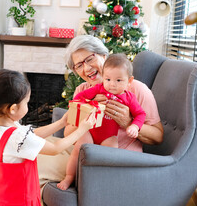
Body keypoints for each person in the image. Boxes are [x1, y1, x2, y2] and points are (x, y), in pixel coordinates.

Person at [37, 35, 163, 192]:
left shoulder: (137, 90)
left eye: (90, 59)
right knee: (31, 152)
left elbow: (158, 136)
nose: (87, 68)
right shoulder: (82, 90)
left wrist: (129, 122)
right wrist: (88, 108)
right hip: (83, 153)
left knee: (37, 164)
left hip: (118, 159)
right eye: (79, 65)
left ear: (104, 56)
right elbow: (68, 132)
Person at [0, 69, 96, 206]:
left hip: (5, 194)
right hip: (21, 196)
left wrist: (61, 123)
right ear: (13, 109)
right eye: (27, 102)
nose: (28, 105)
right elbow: (55, 149)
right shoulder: (17, 138)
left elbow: (31, 134)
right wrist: (82, 129)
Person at [57, 53, 147, 190]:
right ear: (103, 78)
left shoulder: (129, 98)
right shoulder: (99, 89)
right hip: (90, 131)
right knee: (78, 151)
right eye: (108, 79)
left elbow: (141, 114)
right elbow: (78, 98)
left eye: (118, 81)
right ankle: (69, 177)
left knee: (110, 158)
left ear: (129, 81)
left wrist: (135, 126)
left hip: (109, 136)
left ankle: (102, 184)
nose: (112, 84)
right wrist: (90, 103)